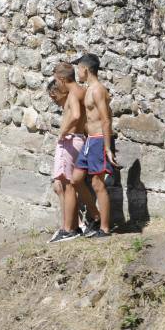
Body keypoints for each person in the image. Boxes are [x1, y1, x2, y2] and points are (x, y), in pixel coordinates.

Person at [71, 53, 118, 238]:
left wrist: (107, 147)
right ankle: (96, 216)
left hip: (99, 140)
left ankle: (105, 229)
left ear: (85, 69)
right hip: (90, 140)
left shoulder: (98, 90)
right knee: (76, 179)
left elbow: (106, 120)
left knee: (98, 184)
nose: (78, 72)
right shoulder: (89, 89)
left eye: (79, 68)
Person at [48, 64, 90, 243]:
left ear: (63, 79)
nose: (56, 84)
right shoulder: (82, 91)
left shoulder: (73, 93)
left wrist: (62, 132)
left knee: (67, 184)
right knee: (67, 184)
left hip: (71, 139)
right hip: (79, 137)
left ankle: (68, 229)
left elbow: (75, 115)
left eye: (57, 81)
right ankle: (73, 226)